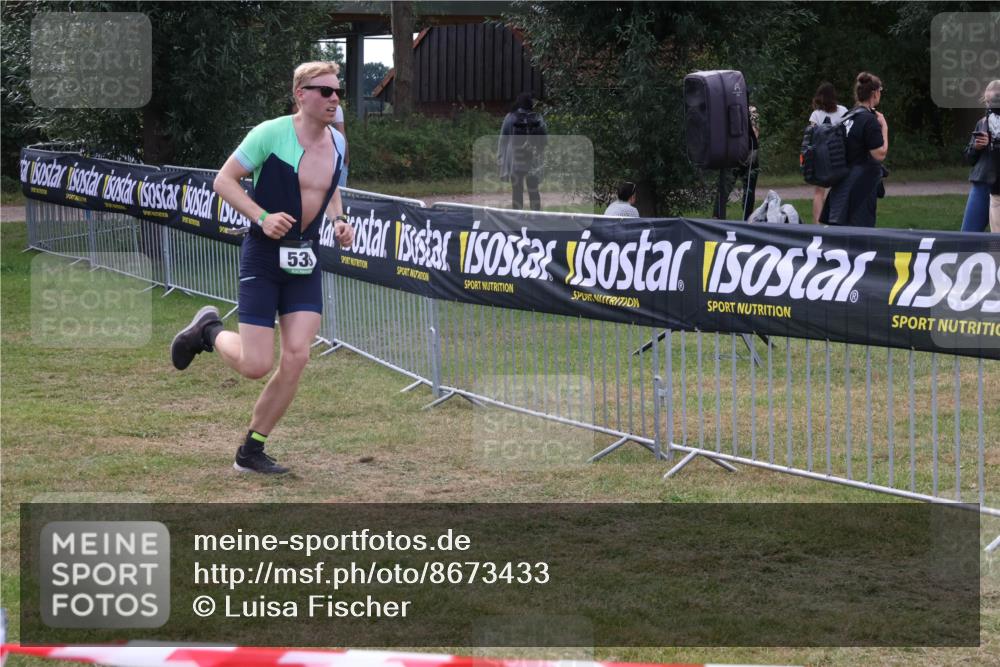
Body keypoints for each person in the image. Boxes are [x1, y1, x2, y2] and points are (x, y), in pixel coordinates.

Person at [169, 61, 355, 474]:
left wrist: (340, 221)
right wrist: (261, 216)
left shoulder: (339, 144)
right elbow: (224, 181)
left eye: (337, 91)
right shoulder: (270, 133)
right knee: (256, 365)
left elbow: (331, 186)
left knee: (297, 356)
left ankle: (251, 450)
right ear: (300, 94)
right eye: (324, 91)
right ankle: (208, 331)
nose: (334, 99)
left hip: (305, 258)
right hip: (264, 255)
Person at [820, 72, 888, 227]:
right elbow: (879, 154)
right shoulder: (870, 120)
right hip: (861, 187)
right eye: (880, 90)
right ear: (875, 93)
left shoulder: (847, 116)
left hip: (842, 183)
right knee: (860, 239)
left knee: (841, 236)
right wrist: (884, 127)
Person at [498, 92, 547, 210]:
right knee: (533, 190)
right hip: (533, 159)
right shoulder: (538, 117)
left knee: (517, 190)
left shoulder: (510, 117)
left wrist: (500, 158)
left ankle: (517, 217)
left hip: (515, 159)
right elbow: (544, 139)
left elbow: (503, 139)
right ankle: (536, 217)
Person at [962, 79, 1000, 232]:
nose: (990, 105)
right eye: (988, 101)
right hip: (982, 182)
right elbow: (968, 157)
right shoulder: (982, 122)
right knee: (967, 234)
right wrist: (976, 147)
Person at [808, 82, 848, 224]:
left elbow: (810, 136)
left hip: (821, 157)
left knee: (819, 191)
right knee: (840, 190)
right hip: (839, 156)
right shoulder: (843, 111)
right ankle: (837, 221)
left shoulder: (816, 115)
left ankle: (817, 224)